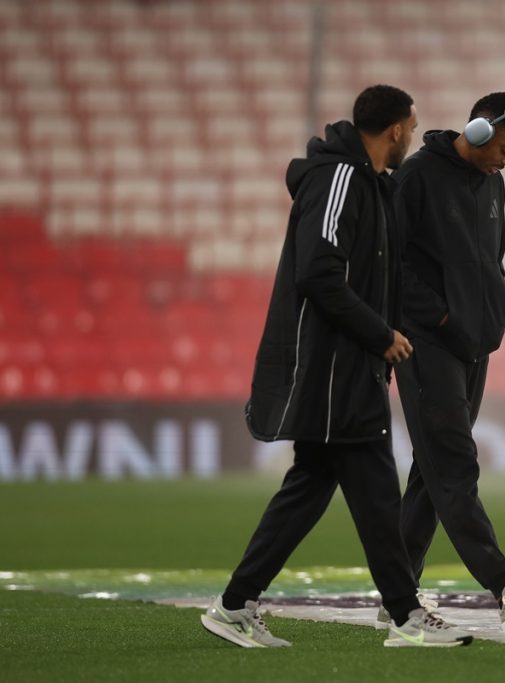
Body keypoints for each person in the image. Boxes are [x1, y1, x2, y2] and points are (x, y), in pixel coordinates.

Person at [200, 85, 472, 649]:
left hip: (348, 367)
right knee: (371, 490)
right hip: (331, 370)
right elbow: (318, 273)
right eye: (413, 129)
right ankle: (404, 615)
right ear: (396, 129)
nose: (413, 138)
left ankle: (236, 604)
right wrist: (380, 334)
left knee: (315, 487)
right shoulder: (340, 179)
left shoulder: (372, 186)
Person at [386, 92, 505, 632]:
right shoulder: (415, 177)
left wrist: (492, 317)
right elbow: (392, 262)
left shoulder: (493, 184)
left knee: (431, 473)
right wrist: (435, 319)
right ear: (479, 130)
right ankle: (503, 586)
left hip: (472, 345)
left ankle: (398, 595)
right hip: (425, 343)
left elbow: (491, 261)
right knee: (454, 464)